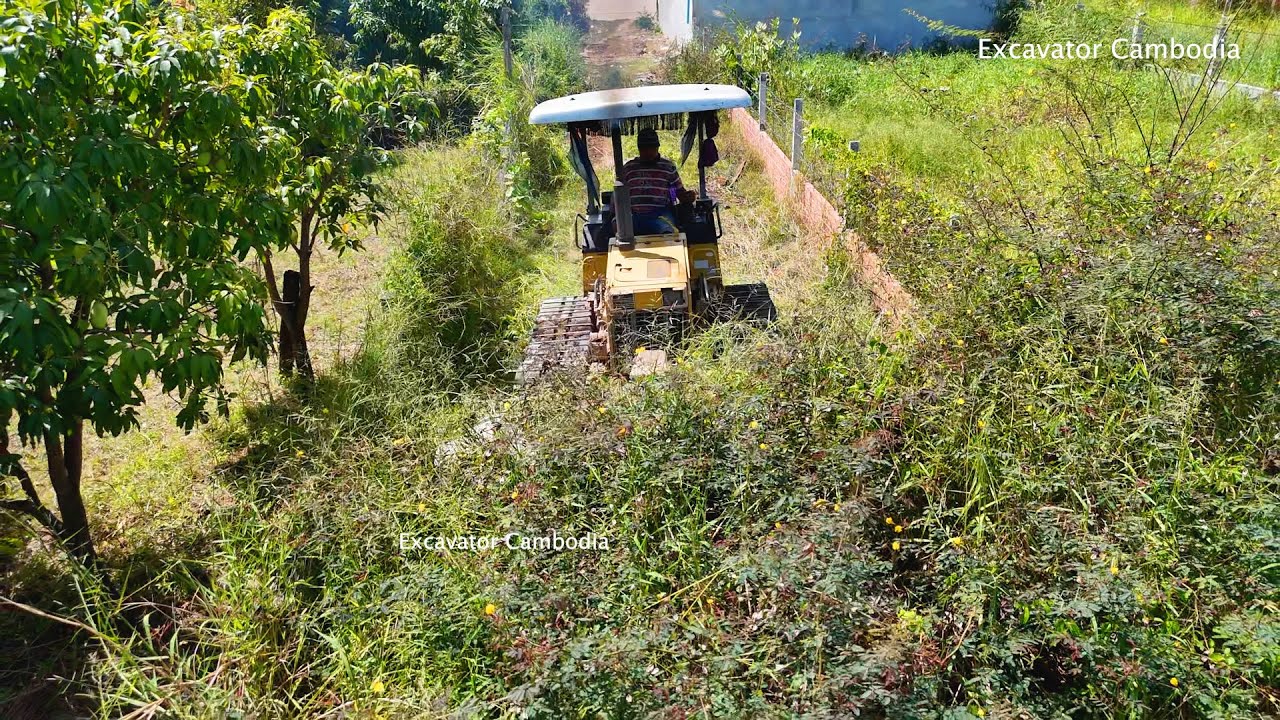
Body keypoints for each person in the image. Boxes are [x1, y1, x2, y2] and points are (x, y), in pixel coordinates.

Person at [620, 128, 695, 235]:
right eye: (645, 149)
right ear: (639, 149)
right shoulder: (629, 168)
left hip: (660, 215)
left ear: (657, 147)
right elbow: (619, 196)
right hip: (634, 215)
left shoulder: (668, 167)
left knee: (668, 233)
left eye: (651, 148)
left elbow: (678, 194)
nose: (648, 152)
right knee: (620, 231)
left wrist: (688, 196)